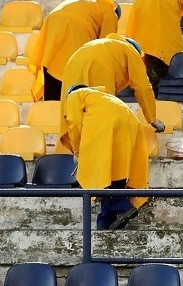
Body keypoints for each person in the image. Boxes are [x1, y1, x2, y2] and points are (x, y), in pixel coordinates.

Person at [61, 84, 165, 230]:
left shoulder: (74, 95)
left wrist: (78, 152)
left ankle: (121, 205)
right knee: (116, 173)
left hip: (108, 126)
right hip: (129, 123)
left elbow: (74, 124)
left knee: (99, 174)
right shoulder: (103, 98)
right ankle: (105, 221)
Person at [58, 34, 163, 143]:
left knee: (74, 110)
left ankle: (77, 150)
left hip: (72, 65)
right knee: (102, 117)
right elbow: (142, 86)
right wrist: (152, 118)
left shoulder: (104, 45)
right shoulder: (130, 50)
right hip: (98, 68)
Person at [25, 0, 121, 101]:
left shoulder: (88, 2)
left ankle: (50, 110)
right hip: (75, 29)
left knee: (51, 66)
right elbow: (105, 44)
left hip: (52, 24)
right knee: (76, 76)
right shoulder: (110, 12)